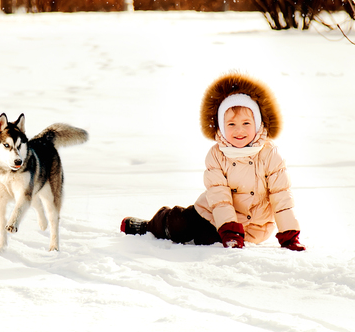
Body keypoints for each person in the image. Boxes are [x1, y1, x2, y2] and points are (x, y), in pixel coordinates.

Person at [120, 72, 305, 251]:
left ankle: (209, 235)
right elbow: (219, 194)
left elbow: (281, 196)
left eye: (246, 124)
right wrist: (229, 229)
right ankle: (151, 226)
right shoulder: (217, 155)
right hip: (212, 212)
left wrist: (289, 234)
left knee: (205, 240)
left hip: (254, 226)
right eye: (231, 124)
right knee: (179, 226)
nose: (239, 131)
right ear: (221, 127)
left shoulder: (270, 154)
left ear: (257, 124)